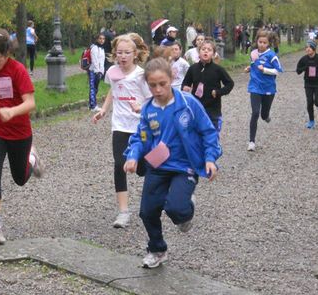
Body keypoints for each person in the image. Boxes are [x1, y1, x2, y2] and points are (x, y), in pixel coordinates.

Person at [123, 57, 220, 268]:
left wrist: (210, 159)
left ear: (172, 78)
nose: (158, 89)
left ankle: (186, 207)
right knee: (147, 212)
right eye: (152, 85)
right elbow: (140, 137)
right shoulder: (148, 109)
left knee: (176, 209)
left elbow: (208, 132)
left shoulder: (188, 103)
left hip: (184, 166)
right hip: (157, 166)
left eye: (162, 84)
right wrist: (132, 156)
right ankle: (157, 249)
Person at [0, 29, 44, 245]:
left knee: (19, 179)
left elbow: (31, 103)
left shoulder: (17, 70)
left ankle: (32, 158)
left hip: (19, 132)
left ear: (7, 55)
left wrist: (12, 111)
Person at [92, 33, 152, 228]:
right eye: (119, 53)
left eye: (127, 53)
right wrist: (103, 109)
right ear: (114, 54)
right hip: (120, 126)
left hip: (139, 126)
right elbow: (113, 90)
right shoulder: (112, 73)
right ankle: (123, 212)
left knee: (143, 169)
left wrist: (140, 106)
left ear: (135, 54)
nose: (123, 56)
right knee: (120, 164)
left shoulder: (141, 75)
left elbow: (152, 100)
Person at [181, 39, 234, 133]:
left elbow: (230, 84)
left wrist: (218, 92)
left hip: (213, 109)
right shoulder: (193, 68)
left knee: (212, 137)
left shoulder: (218, 69)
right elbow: (185, 83)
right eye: (203, 49)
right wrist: (185, 88)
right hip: (196, 108)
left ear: (213, 55)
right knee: (198, 137)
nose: (206, 51)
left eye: (209, 50)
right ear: (198, 52)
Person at [244, 29, 283, 151]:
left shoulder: (272, 56)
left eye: (264, 42)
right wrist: (249, 68)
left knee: (263, 114)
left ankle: (266, 116)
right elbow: (254, 64)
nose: (261, 44)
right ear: (257, 41)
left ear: (268, 43)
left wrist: (265, 70)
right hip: (255, 87)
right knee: (255, 113)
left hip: (268, 88)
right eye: (260, 42)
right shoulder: (254, 53)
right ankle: (251, 141)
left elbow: (279, 71)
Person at [295, 40, 318, 129]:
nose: (307, 49)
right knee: (309, 102)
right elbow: (298, 71)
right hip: (308, 83)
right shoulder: (303, 59)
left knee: (317, 102)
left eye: (309, 47)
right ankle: (311, 121)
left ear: (314, 49)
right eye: (306, 47)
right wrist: (304, 68)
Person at [88, 33, 106, 112]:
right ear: (97, 39)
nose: (102, 40)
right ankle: (93, 106)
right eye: (100, 38)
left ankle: (91, 104)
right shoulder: (94, 48)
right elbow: (94, 60)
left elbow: (102, 61)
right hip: (93, 71)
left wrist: (101, 71)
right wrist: (97, 71)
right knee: (93, 88)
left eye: (103, 39)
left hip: (99, 71)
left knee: (95, 88)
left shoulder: (102, 49)